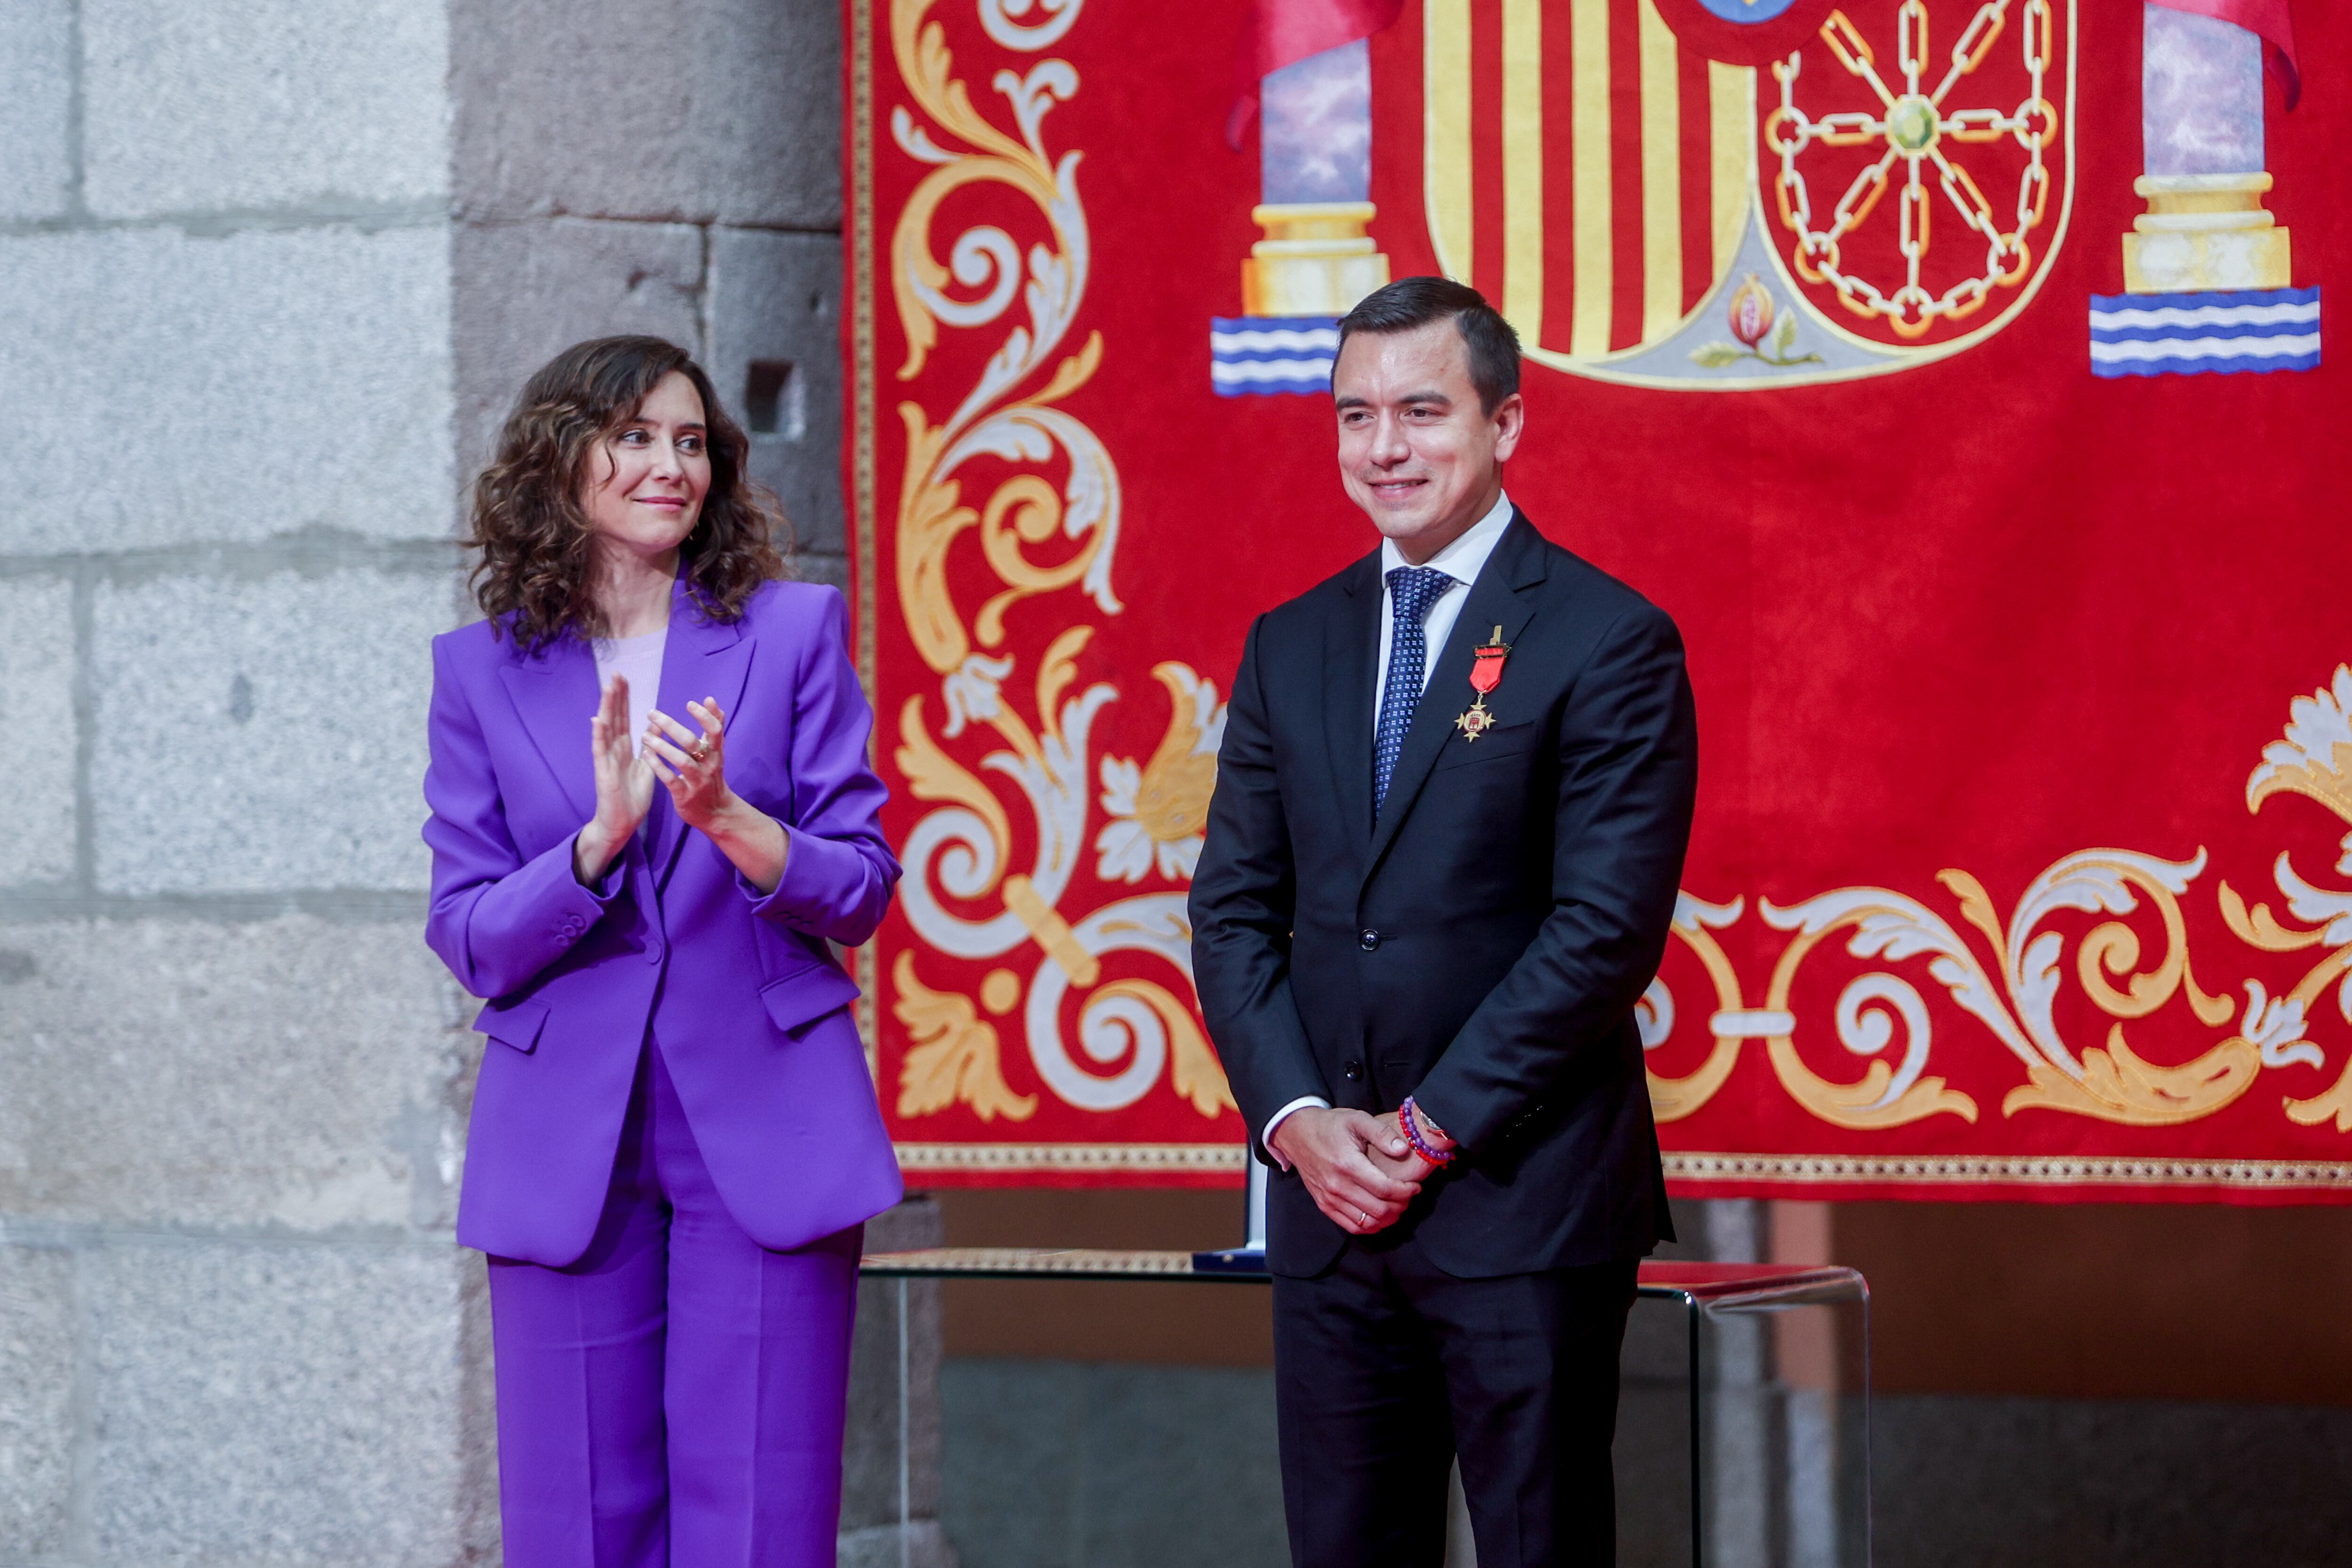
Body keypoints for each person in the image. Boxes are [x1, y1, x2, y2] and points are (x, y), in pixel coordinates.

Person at [1189, 277, 1699, 1568]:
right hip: (1325, 1206)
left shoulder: (1607, 638)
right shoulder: (1289, 642)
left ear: (1507, 421)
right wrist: (1304, 1128)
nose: (1385, 448)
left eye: (1423, 411)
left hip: (1519, 1197)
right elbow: (1235, 913)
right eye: (1356, 416)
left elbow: (1601, 935)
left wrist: (1421, 1134)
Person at [422, 335, 903, 1568]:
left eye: (691, 442)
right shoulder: (478, 674)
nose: (668, 465)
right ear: (559, 461)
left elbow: (863, 887)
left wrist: (736, 827)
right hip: (564, 1131)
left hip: (765, 1112)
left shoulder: (793, 633)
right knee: (574, 1516)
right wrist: (596, 845)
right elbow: (468, 932)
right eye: (635, 437)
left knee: (760, 1516)